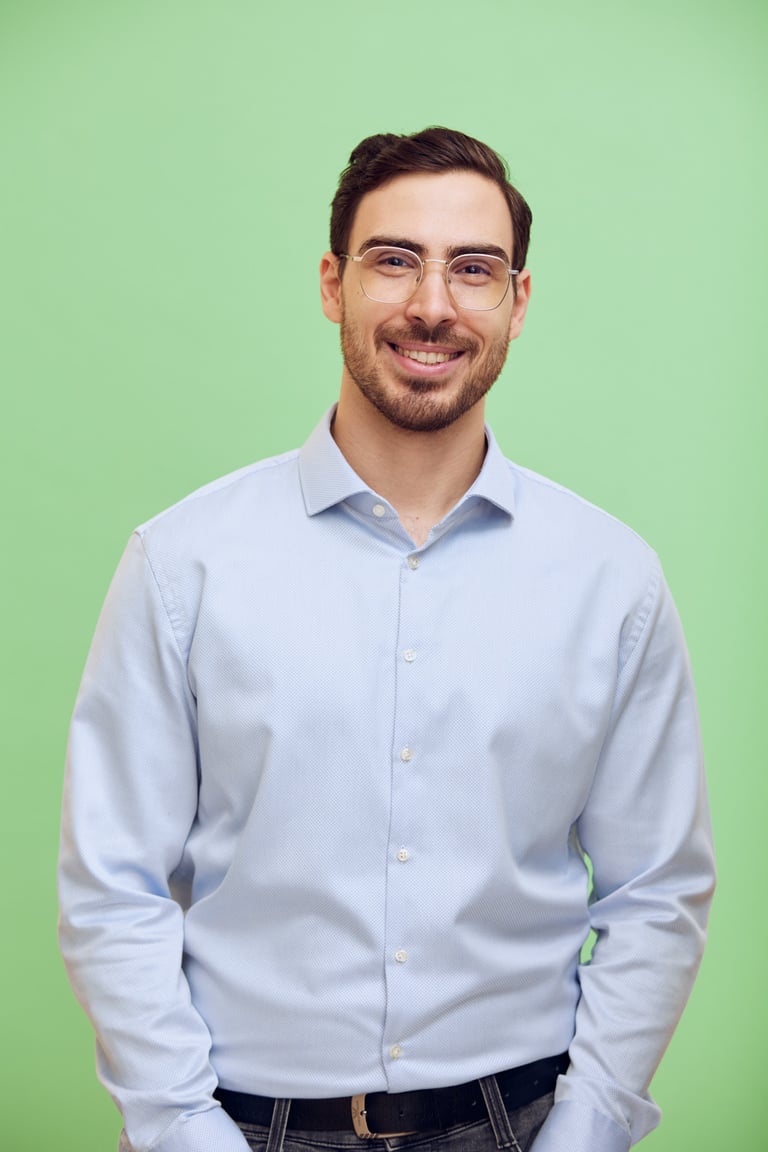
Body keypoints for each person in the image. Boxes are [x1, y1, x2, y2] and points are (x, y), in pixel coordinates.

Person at [58, 127, 715, 1152]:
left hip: (522, 1123)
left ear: (519, 302)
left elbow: (657, 891)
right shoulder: (182, 564)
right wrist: (184, 1129)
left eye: (474, 269)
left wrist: (588, 1129)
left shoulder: (611, 579)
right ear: (333, 284)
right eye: (395, 259)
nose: (432, 305)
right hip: (249, 1129)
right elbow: (113, 888)